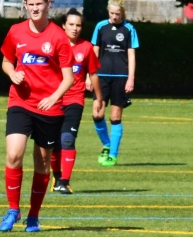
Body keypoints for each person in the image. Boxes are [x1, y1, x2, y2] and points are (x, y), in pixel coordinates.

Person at [0, 0, 74, 232]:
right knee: (13, 154)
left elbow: (69, 77)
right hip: (20, 102)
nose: (34, 8)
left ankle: (33, 215)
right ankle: (13, 209)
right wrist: (12, 73)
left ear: (48, 4)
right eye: (30, 3)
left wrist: (54, 97)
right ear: (25, 5)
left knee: (42, 162)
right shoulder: (15, 31)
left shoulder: (58, 36)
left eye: (39, 3)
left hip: (48, 107)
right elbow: (6, 62)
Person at [51, 8, 105, 194]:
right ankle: (56, 177)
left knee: (67, 139)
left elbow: (93, 74)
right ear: (63, 25)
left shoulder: (86, 47)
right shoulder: (53, 45)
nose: (75, 28)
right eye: (71, 24)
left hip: (74, 99)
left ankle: (64, 182)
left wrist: (98, 98)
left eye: (78, 25)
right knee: (52, 142)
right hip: (53, 99)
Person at [91, 2, 138, 167]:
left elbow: (131, 56)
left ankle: (113, 155)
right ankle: (107, 144)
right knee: (97, 114)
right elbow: (94, 52)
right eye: (111, 13)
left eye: (117, 14)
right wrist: (90, 76)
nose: (114, 17)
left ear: (122, 13)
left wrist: (131, 78)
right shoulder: (100, 27)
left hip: (120, 77)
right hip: (101, 77)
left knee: (115, 117)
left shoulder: (129, 29)